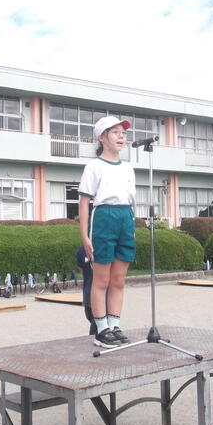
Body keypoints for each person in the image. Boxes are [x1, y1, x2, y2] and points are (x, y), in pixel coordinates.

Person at [79, 115, 136, 348]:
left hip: (125, 218)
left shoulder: (128, 168)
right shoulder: (94, 166)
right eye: (115, 132)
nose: (121, 136)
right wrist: (84, 236)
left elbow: (131, 201)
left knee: (119, 279)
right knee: (101, 279)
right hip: (104, 218)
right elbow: (84, 202)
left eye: (123, 133)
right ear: (102, 137)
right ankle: (101, 330)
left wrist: (132, 225)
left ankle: (114, 325)